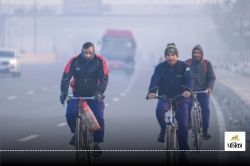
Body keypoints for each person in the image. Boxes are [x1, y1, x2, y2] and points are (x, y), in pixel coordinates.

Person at [60, 42, 109, 157]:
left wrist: (99, 92)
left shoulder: (100, 62)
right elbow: (66, 77)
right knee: (70, 113)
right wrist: (64, 92)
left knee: (99, 117)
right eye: (85, 53)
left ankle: (96, 143)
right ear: (81, 51)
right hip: (78, 94)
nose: (87, 55)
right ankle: (75, 132)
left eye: (90, 53)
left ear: (94, 52)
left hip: (94, 95)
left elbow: (104, 79)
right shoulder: (74, 61)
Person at [147, 43, 192, 160]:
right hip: (165, 97)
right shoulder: (159, 68)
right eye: (168, 55)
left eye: (173, 55)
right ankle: (163, 129)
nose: (171, 57)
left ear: (177, 56)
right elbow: (155, 80)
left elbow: (189, 80)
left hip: (181, 99)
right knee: (159, 110)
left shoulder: (184, 66)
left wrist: (188, 90)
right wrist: (152, 92)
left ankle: (182, 151)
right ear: (165, 56)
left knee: (183, 124)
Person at [185, 44, 216, 140]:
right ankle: (188, 122)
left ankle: (205, 130)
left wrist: (209, 88)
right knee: (187, 106)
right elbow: (182, 77)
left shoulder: (207, 64)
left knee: (206, 108)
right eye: (194, 52)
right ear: (192, 53)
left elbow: (211, 78)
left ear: (201, 54)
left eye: (198, 53)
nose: (196, 54)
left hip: (203, 91)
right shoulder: (187, 63)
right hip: (189, 91)